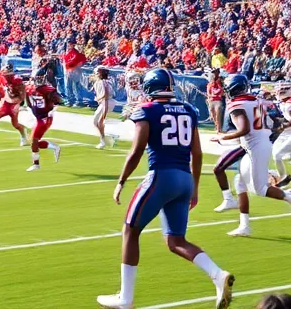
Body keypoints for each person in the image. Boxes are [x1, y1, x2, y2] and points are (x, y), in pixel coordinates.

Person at [97, 68, 234, 309]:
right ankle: (217, 274)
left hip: (161, 176)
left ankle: (125, 298)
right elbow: (197, 152)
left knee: (130, 231)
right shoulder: (188, 110)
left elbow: (137, 150)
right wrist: (195, 186)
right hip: (184, 179)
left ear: (149, 87)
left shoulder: (147, 110)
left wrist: (121, 181)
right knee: (176, 241)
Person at [214, 74, 291, 236]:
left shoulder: (236, 104)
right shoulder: (256, 100)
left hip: (255, 147)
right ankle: (244, 226)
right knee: (240, 181)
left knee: (260, 189)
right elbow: (274, 122)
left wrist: (222, 136)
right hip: (257, 145)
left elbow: (244, 129)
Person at [0, 61, 28, 145]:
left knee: (15, 124)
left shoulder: (17, 80)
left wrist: (20, 104)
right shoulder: (3, 77)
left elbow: (23, 93)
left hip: (14, 104)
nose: (4, 74)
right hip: (6, 103)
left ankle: (23, 136)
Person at [25, 73, 62, 171]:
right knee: (33, 142)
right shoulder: (29, 88)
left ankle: (36, 164)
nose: (38, 81)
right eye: (37, 79)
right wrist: (30, 107)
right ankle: (53, 146)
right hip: (38, 117)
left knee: (34, 141)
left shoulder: (47, 89)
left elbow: (58, 98)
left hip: (45, 118)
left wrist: (54, 103)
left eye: (40, 78)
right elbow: (27, 98)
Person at [93, 66, 117, 149]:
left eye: (97, 72)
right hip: (103, 102)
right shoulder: (99, 82)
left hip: (106, 102)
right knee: (95, 122)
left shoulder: (104, 82)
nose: (96, 74)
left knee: (99, 122)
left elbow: (105, 95)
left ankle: (103, 141)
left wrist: (98, 98)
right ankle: (110, 136)